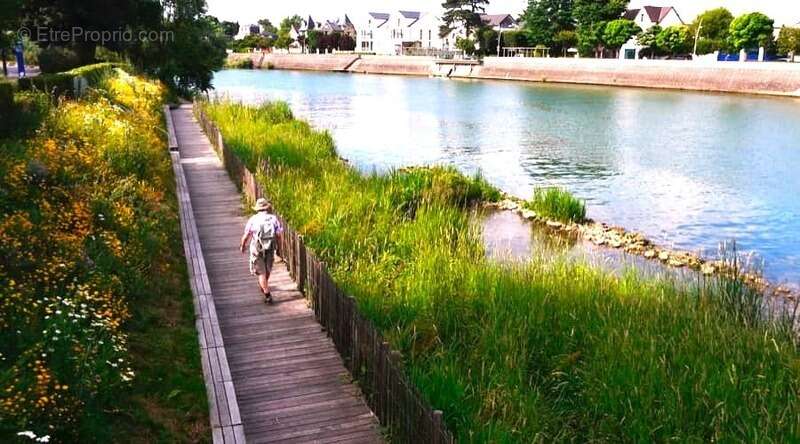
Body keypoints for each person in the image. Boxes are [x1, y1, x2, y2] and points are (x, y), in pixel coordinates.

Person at [240, 198, 283, 303]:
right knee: (267, 270)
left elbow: (246, 235)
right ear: (266, 208)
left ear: (257, 209)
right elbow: (278, 234)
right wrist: (279, 246)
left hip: (257, 248)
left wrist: (243, 246)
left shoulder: (253, 219)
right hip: (270, 247)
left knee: (261, 273)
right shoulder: (273, 219)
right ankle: (264, 286)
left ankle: (267, 292)